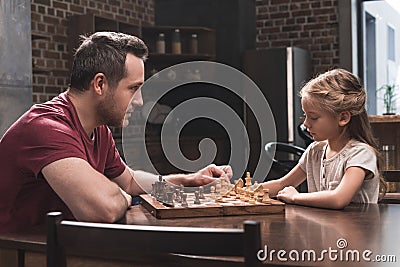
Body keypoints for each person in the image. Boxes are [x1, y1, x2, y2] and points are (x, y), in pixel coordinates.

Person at [0, 32, 232, 232]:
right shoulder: (46, 128)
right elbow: (104, 209)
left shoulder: (98, 129)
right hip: (17, 252)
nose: (140, 101)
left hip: (56, 244)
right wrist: (122, 196)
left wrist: (185, 181)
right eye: (133, 88)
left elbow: (128, 181)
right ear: (100, 84)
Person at [262, 68, 386, 209]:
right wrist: (239, 190)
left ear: (343, 118)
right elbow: (281, 184)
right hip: (324, 229)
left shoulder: (361, 154)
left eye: (313, 117)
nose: (305, 123)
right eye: (305, 115)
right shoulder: (316, 151)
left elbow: (339, 199)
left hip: (353, 230)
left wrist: (295, 197)